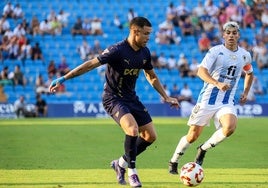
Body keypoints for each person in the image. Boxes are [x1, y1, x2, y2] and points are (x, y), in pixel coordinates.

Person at [49, 17, 179, 187]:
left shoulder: (145, 52)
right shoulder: (117, 50)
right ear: (135, 31)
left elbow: (151, 76)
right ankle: (132, 172)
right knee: (132, 129)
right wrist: (64, 78)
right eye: (146, 34)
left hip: (131, 98)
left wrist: (166, 96)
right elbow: (90, 65)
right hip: (113, 98)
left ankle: (120, 163)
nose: (149, 38)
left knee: (150, 136)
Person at [168, 21, 254, 174]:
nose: (231, 36)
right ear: (223, 35)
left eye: (234, 33)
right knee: (192, 135)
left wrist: (246, 92)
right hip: (207, 99)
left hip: (226, 101)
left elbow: (249, 73)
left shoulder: (245, 55)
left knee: (229, 127)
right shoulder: (215, 52)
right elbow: (201, 71)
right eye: (228, 33)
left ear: (238, 35)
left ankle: (203, 149)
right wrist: (217, 83)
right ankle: (174, 161)